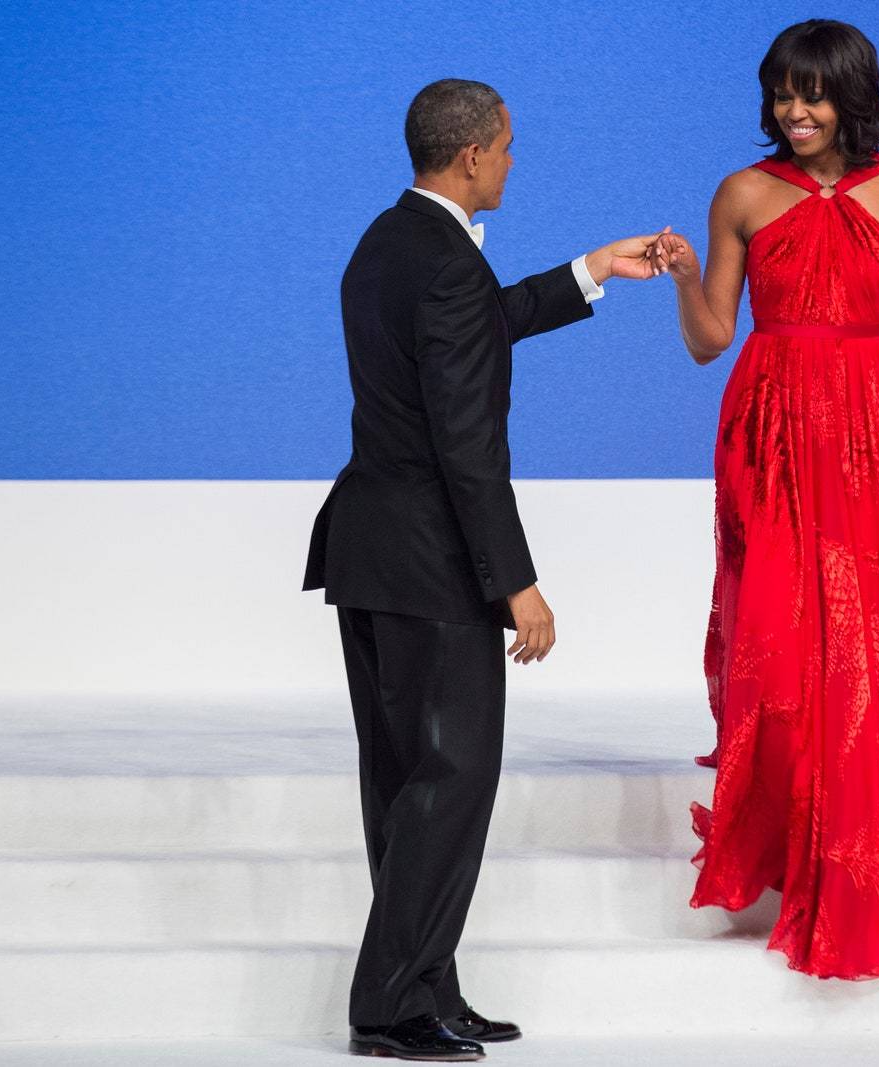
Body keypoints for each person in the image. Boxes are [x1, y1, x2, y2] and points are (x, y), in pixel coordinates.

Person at [303, 78, 665, 1060]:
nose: (511, 161)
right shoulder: (444, 265)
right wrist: (517, 582)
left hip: (369, 548)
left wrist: (587, 270)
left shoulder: (388, 244)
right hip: (432, 563)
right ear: (471, 156)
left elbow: (466, 331)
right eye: (506, 147)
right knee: (451, 777)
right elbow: (467, 442)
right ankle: (387, 1003)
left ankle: (426, 983)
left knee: (405, 780)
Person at [649, 20, 879, 980]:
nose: (796, 112)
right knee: (777, 649)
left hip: (875, 433)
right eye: (783, 94)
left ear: (854, 96)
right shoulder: (743, 194)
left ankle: (855, 876)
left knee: (862, 646)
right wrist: (687, 275)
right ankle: (789, 851)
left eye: (815, 94)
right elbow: (711, 340)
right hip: (771, 430)